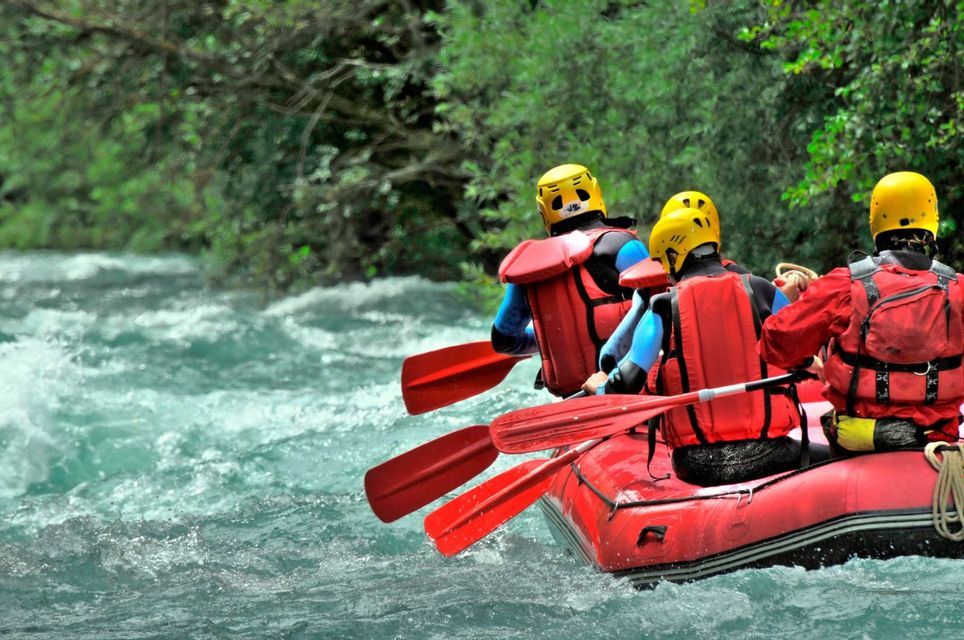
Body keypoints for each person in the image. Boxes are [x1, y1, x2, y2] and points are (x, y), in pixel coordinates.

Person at [583, 208, 809, 486]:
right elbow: (806, 348)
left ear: (672, 257)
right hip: (770, 451)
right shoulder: (762, 289)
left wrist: (601, 387)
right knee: (836, 453)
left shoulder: (663, 306)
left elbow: (628, 381)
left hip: (697, 463)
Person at [759, 171, 963, 455]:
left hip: (861, 437)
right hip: (937, 436)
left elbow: (776, 344)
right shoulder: (959, 289)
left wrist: (784, 301)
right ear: (932, 223)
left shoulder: (845, 284)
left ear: (876, 223)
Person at [491, 164, 649, 397]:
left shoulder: (528, 269)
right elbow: (662, 309)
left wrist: (554, 337)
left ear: (545, 212)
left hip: (574, 399)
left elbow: (504, 340)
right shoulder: (621, 245)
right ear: (595, 195)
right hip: (630, 387)